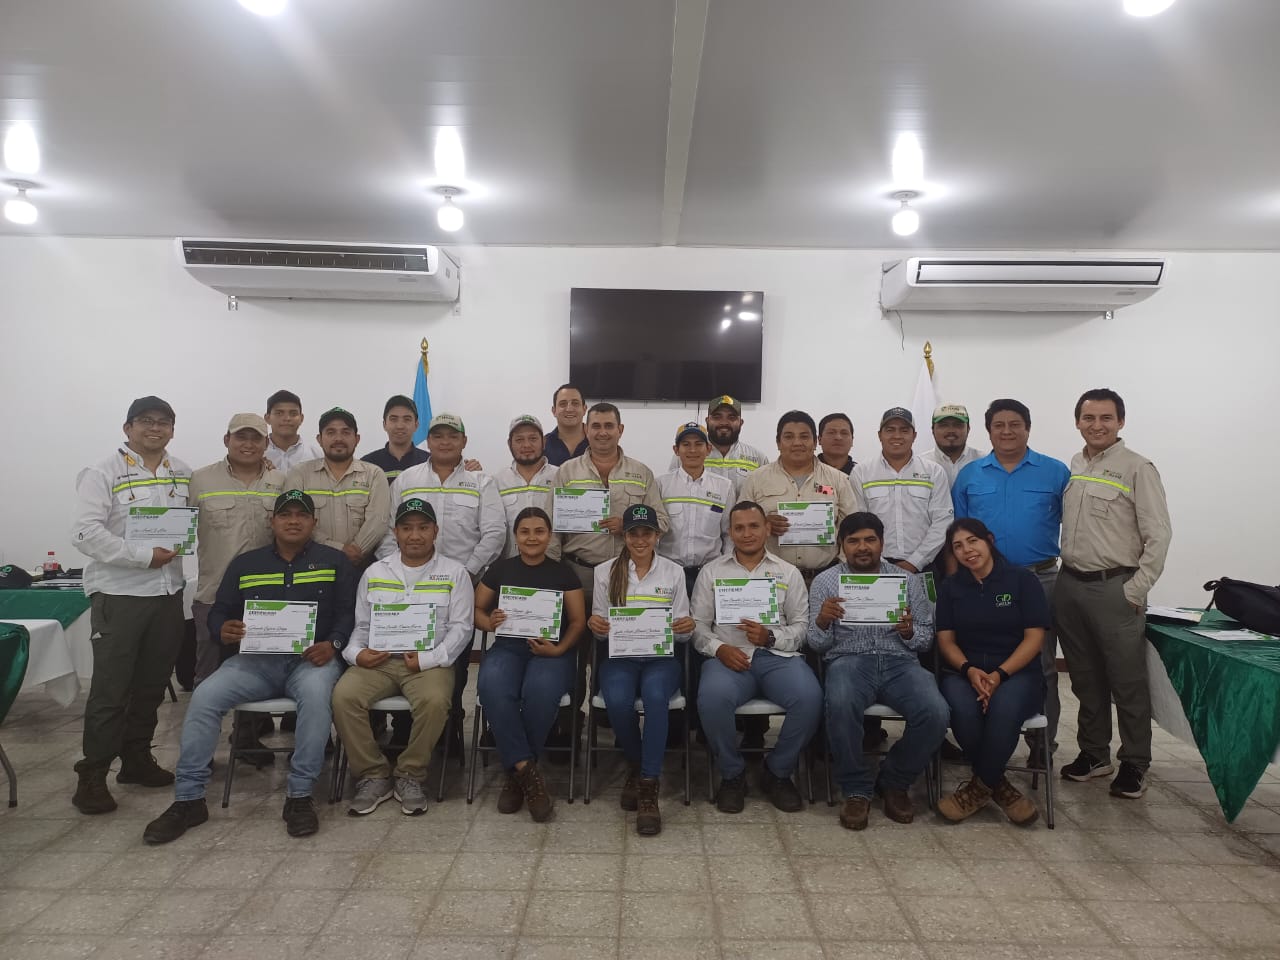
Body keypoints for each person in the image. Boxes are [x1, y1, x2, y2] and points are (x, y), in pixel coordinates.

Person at [142, 490, 356, 843]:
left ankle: (300, 795)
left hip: (312, 661)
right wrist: (221, 629)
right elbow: (220, 611)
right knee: (205, 696)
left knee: (317, 700)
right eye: (285, 514)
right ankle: (188, 799)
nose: (293, 521)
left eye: (301, 515)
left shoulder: (335, 562)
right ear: (272, 521)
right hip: (256, 662)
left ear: (313, 522)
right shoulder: (246, 564)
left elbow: (349, 613)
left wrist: (333, 644)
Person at [70, 396, 192, 815]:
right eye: (145, 421)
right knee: (111, 690)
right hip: (119, 595)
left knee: (152, 684)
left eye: (163, 422)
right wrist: (142, 556)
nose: (155, 428)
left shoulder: (181, 472)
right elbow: (85, 533)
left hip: (167, 593)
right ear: (128, 428)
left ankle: (136, 758)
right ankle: (92, 774)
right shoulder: (102, 472)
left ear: (172, 429)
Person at [1055, 388, 1172, 799]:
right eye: (1089, 418)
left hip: (1115, 588)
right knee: (1085, 679)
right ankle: (1094, 754)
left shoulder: (1138, 468)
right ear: (1078, 422)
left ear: (1121, 421)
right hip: (1070, 585)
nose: (1097, 425)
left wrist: (1136, 589)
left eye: (1106, 417)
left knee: (1127, 682)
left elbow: (1159, 535)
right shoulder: (1075, 465)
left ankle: (1135, 762)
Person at [332, 497, 475, 817]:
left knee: (435, 701)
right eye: (407, 528)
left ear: (435, 531)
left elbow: (462, 628)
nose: (415, 535)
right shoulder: (375, 572)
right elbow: (361, 626)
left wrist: (428, 659)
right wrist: (356, 654)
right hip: (378, 662)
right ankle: (373, 774)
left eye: (423, 528)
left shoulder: (454, 573)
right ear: (395, 532)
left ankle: (411, 773)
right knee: (343, 696)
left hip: (429, 663)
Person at [808, 512, 949, 829]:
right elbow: (816, 644)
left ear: (882, 543)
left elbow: (925, 639)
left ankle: (895, 781)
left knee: (936, 712)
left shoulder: (907, 581)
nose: (862, 547)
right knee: (840, 704)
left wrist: (909, 632)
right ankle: (856, 788)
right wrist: (822, 621)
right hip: (848, 661)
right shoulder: (826, 582)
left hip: (900, 662)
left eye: (870, 540)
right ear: (842, 545)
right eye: (854, 541)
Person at [951, 398, 1070, 760]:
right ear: (988, 432)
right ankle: (986, 741)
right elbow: (958, 532)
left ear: (1028, 428)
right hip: (982, 583)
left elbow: (1073, 524)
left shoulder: (1056, 472)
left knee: (1044, 664)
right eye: (998, 425)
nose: (1007, 431)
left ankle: (1042, 746)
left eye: (1015, 424)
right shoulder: (970, 475)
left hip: (1040, 578)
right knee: (981, 655)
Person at [385, 412, 506, 752]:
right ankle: (404, 728)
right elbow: (388, 530)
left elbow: (494, 533)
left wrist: (465, 574)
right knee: (405, 653)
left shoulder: (481, 482)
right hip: (408, 587)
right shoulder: (407, 479)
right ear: (428, 440)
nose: (445, 442)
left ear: (463, 441)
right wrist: (395, 573)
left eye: (452, 436)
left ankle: (448, 725)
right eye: (438, 436)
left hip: (460, 586)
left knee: (454, 659)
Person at [693, 501, 820, 814]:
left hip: (777, 656)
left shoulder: (788, 573)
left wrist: (770, 637)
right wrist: (719, 649)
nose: (747, 533)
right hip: (729, 657)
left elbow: (802, 627)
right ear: (730, 532)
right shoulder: (712, 572)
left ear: (767, 529)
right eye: (739, 528)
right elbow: (697, 625)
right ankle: (732, 774)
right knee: (711, 699)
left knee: (810, 698)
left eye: (754, 526)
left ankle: (777, 771)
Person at [589, 504, 695, 836]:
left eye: (646, 533)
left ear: (657, 535)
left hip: (661, 659)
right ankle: (638, 763)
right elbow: (599, 627)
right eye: (633, 533)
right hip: (620, 657)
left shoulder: (673, 571)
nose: (639, 540)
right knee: (617, 701)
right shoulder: (605, 571)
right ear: (624, 536)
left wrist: (686, 626)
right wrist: (597, 626)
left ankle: (648, 783)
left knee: (655, 697)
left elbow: (684, 631)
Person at [474, 507, 586, 821]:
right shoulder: (501, 569)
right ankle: (526, 771)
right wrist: (490, 622)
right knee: (492, 685)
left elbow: (578, 621)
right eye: (525, 531)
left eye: (539, 531)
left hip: (551, 650)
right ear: (516, 536)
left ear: (549, 536)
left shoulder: (563, 573)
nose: (532, 538)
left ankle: (515, 776)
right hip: (509, 646)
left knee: (540, 689)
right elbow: (476, 610)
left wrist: (558, 649)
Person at [934, 518, 1047, 825]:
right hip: (963, 671)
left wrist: (999, 675)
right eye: (958, 546)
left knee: (1004, 708)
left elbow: (1034, 638)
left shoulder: (1022, 580)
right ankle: (999, 786)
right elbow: (946, 641)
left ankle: (978, 787)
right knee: (962, 709)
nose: (967, 550)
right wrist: (969, 670)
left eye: (973, 541)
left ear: (989, 540)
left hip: (1017, 672)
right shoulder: (950, 588)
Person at [188, 414, 284, 689]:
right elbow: (181, 529)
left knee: (261, 675)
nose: (248, 444)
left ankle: (249, 720)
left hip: (268, 595)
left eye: (256, 438)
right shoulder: (200, 480)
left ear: (266, 444)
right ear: (226, 440)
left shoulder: (280, 480)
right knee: (208, 678)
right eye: (241, 437)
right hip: (214, 594)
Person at [739, 410, 862, 586]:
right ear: (778, 442)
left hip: (826, 576)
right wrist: (763, 524)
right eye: (789, 437)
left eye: (804, 436)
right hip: (771, 578)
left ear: (815, 442)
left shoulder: (839, 480)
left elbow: (852, 529)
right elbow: (739, 525)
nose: (797, 443)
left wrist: (840, 569)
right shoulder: (756, 479)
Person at [283, 407, 390, 569]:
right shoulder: (300, 474)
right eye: (331, 432)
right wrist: (339, 551)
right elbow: (295, 521)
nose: (338, 438)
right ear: (319, 439)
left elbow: (378, 521)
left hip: (361, 566)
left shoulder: (374, 474)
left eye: (346, 432)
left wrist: (357, 550)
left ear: (357, 439)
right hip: (310, 566)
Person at [852, 408, 953, 576]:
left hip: (924, 566)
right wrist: (882, 564)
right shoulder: (862, 472)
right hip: (874, 567)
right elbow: (858, 523)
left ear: (914, 436)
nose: (897, 436)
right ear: (879, 435)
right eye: (890, 430)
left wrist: (915, 562)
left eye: (904, 430)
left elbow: (943, 521)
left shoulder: (934, 472)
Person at [669, 395, 771, 499]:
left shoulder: (758, 458)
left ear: (741, 422)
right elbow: (673, 490)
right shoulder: (685, 456)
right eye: (717, 417)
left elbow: (765, 497)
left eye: (732, 417)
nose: (724, 422)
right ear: (707, 421)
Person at [494, 415, 559, 558]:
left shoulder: (560, 476)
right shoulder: (496, 481)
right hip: (510, 565)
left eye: (533, 438)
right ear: (509, 444)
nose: (526, 445)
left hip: (553, 562)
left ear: (544, 442)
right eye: (519, 440)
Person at [361, 395, 431, 482]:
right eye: (393, 419)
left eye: (407, 419)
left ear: (416, 425)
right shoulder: (367, 464)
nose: (400, 426)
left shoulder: (429, 462)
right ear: (384, 424)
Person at [263, 389, 323, 473]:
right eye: (279, 413)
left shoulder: (316, 456)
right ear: (267, 418)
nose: (287, 418)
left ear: (301, 418)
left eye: (293, 414)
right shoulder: (258, 454)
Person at [924, 403, 984, 487]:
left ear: (968, 429)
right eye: (943, 425)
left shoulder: (985, 463)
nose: (951, 430)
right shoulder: (921, 464)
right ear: (933, 430)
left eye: (957, 425)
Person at [545, 383, 589, 466]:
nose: (569, 409)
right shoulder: (543, 445)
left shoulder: (597, 441)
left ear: (584, 409)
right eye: (563, 404)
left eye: (575, 403)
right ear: (554, 411)